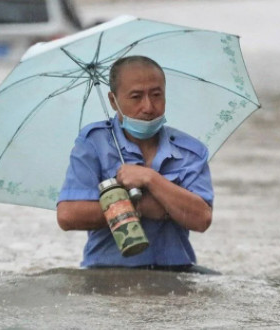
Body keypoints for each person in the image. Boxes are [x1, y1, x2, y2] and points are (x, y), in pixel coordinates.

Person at [57, 55, 219, 274]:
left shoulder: (190, 151)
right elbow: (68, 215)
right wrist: (137, 206)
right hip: (107, 272)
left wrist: (150, 179)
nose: (148, 107)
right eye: (136, 97)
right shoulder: (93, 144)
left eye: (156, 95)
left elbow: (202, 219)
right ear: (113, 101)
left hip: (176, 272)